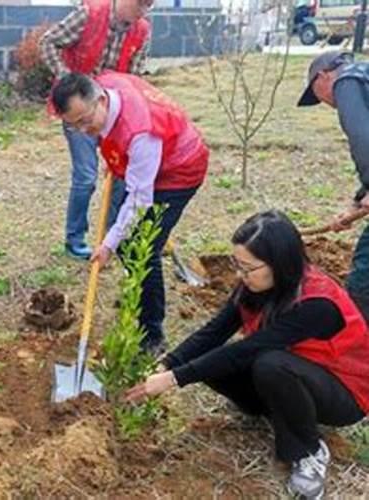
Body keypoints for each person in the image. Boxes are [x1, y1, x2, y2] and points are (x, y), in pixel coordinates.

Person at [125, 211, 369, 500]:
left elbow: (248, 350)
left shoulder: (316, 303)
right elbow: (215, 331)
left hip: (344, 392)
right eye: (237, 265)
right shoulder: (254, 285)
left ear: (279, 264)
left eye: (248, 268)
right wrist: (167, 363)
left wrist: (173, 379)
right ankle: (277, 409)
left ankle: (309, 451)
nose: (240, 275)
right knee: (213, 360)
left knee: (270, 364)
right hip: (298, 372)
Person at [51, 72, 208, 354]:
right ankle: (139, 291)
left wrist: (109, 244)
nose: (84, 130)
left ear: (100, 100)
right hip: (149, 165)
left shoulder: (141, 134)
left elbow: (138, 200)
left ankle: (152, 333)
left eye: (85, 121)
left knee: (141, 249)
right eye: (73, 125)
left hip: (180, 169)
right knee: (127, 240)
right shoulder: (105, 85)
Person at [39, 0, 153, 260]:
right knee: (86, 176)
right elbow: (47, 42)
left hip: (113, 113)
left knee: (121, 176)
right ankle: (75, 240)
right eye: (141, 4)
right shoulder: (89, 14)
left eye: (149, 6)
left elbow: (135, 79)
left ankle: (111, 240)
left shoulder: (142, 29)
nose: (143, 12)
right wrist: (68, 80)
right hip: (81, 110)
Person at [296, 51, 369, 320]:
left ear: (323, 76)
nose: (324, 103)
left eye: (317, 94)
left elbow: (363, 137)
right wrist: (357, 201)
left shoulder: (347, 81)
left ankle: (357, 335)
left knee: (365, 267)